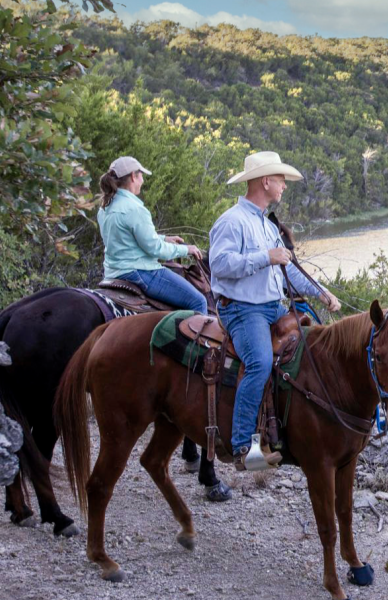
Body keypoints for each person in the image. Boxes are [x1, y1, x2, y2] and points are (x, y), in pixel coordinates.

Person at [209, 151, 341, 470]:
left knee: (309, 352)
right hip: (243, 309)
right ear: (265, 181)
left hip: (271, 307)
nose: (284, 185)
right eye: (280, 179)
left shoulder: (267, 225)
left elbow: (289, 269)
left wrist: (321, 292)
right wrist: (265, 257)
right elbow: (220, 264)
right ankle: (243, 447)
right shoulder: (232, 221)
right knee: (260, 363)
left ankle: (287, 431)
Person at [97, 156, 208, 314]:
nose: (142, 180)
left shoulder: (105, 207)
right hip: (140, 272)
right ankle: (193, 340)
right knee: (198, 301)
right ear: (134, 176)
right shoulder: (135, 209)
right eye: (141, 175)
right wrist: (187, 250)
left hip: (113, 272)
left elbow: (125, 237)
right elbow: (156, 250)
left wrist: (164, 238)